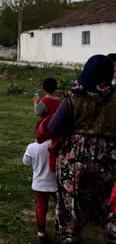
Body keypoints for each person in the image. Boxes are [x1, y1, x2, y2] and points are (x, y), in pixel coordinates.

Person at [47, 55, 116, 242]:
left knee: (71, 206)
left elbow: (53, 128)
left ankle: (70, 237)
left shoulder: (74, 98)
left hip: (74, 159)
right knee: (108, 205)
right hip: (108, 159)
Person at [23, 138, 57, 243]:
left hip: (39, 185)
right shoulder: (58, 144)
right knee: (61, 206)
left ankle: (41, 233)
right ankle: (64, 230)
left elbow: (26, 162)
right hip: (56, 184)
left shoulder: (32, 147)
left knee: (41, 208)